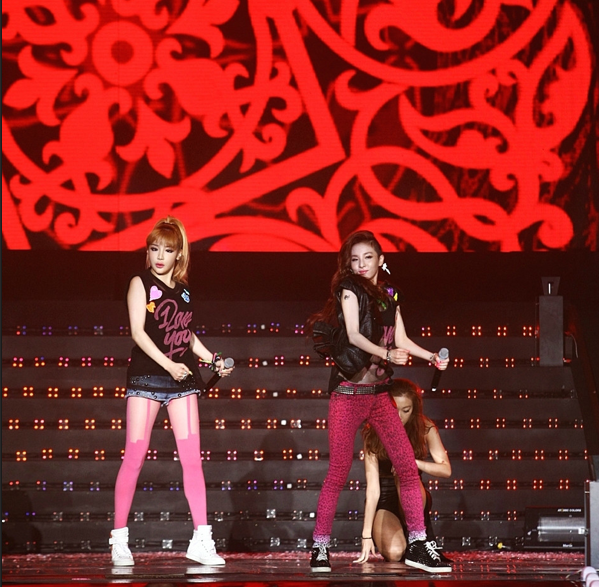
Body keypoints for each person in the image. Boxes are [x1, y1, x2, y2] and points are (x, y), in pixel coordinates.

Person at [308, 230, 450, 574]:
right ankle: (320, 546)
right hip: (348, 394)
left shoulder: (390, 294)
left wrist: (431, 356)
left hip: (379, 394)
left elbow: (401, 338)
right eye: (355, 259)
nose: (361, 264)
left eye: (368, 258)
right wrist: (386, 353)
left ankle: (418, 543)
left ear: (381, 260)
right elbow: (354, 335)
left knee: (406, 466)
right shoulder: (349, 289)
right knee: (338, 471)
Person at [109, 216, 234, 567]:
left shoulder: (183, 290)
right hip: (147, 381)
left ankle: (201, 540)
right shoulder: (140, 283)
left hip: (182, 383)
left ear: (179, 254)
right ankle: (119, 539)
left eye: (167, 250)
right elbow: (138, 332)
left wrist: (213, 359)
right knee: (134, 458)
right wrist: (168, 365)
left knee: (192, 461)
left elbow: (186, 335)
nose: (160, 256)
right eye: (154, 249)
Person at [355, 378, 452, 565]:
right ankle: (408, 539)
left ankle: (417, 537)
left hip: (413, 492)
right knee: (395, 553)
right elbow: (373, 489)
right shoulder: (373, 431)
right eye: (394, 410)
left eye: (405, 410)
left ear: (414, 410)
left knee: (403, 469)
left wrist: (414, 463)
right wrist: (366, 534)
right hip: (385, 498)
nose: (398, 416)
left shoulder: (425, 427)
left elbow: (445, 469)